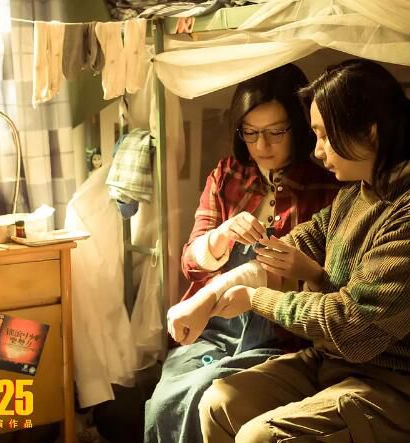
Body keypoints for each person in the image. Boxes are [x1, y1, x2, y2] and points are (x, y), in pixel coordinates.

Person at [191, 59, 410, 442]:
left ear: (369, 132)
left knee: (260, 437)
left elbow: (353, 326)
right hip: (341, 364)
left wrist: (256, 299)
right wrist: (206, 297)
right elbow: (291, 248)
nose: (317, 152)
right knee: (219, 401)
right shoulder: (359, 191)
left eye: (323, 136)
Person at [145, 64, 339, 443]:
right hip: (214, 329)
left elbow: (289, 277)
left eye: (275, 132)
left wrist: (212, 296)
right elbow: (190, 263)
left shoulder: (324, 189)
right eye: (250, 133)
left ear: (299, 127)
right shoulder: (228, 175)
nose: (262, 146)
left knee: (202, 394)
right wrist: (219, 237)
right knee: (163, 403)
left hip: (278, 336)